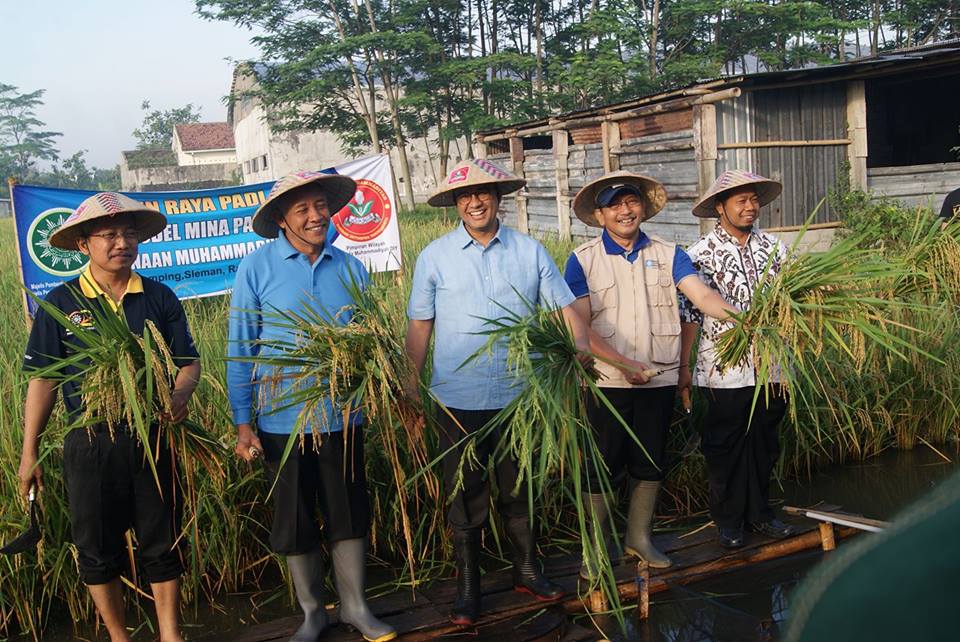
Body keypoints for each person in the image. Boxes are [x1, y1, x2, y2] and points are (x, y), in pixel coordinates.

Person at [404, 158, 591, 626]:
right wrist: (411, 384)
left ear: (498, 197)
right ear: (454, 204)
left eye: (484, 192)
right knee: (464, 492)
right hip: (455, 398)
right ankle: (470, 587)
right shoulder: (435, 256)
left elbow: (563, 311)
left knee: (521, 487)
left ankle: (526, 570)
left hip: (519, 396)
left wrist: (581, 349)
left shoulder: (529, 252)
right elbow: (420, 325)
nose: (475, 201)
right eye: (465, 195)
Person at [18, 192, 200, 642]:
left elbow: (188, 363)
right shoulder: (61, 304)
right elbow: (43, 381)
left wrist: (180, 394)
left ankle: (170, 635)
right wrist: (29, 453)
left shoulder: (157, 297)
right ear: (84, 244)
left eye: (130, 234)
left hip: (153, 436)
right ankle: (119, 637)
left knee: (162, 539)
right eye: (110, 234)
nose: (122, 242)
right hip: (90, 442)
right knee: (96, 549)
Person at [227, 171, 396, 642]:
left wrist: (380, 380)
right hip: (280, 418)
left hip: (342, 415)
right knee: (295, 514)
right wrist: (244, 424)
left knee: (348, 510)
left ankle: (356, 607)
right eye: (302, 209)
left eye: (321, 205)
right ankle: (311, 613)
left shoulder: (350, 267)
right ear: (282, 219)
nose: (316, 215)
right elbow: (241, 349)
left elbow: (372, 338)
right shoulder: (256, 269)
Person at [564, 171, 739, 573]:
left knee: (651, 459)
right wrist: (624, 365)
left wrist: (744, 318)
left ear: (643, 207)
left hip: (657, 378)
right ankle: (596, 548)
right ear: (600, 214)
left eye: (632, 202)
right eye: (614, 204)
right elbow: (580, 327)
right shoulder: (582, 260)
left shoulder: (669, 252)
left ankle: (639, 540)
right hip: (606, 381)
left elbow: (702, 295)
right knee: (603, 461)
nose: (625, 210)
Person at [680, 169, 795, 549]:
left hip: (772, 365)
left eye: (754, 200)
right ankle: (728, 521)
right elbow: (691, 318)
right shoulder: (699, 256)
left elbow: (792, 305)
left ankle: (761, 514)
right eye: (741, 201)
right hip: (722, 369)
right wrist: (685, 372)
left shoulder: (775, 249)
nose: (750, 207)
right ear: (720, 208)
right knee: (725, 445)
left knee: (765, 442)